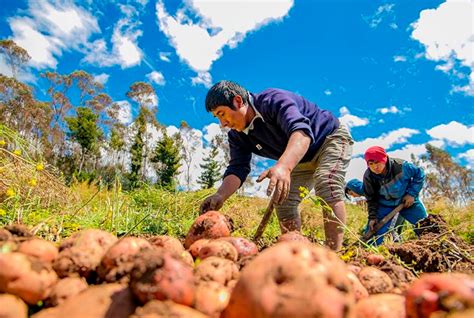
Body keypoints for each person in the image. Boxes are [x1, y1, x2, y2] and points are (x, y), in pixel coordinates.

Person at [199, 80, 354, 251]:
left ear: (237, 101)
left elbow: (301, 133)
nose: (223, 123)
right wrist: (220, 195)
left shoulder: (273, 100)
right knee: (283, 200)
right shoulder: (237, 136)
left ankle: (334, 253)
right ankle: (295, 252)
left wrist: (284, 167)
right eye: (217, 117)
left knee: (326, 182)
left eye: (222, 114)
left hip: (328, 139)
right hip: (301, 159)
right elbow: (238, 168)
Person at [362, 146, 428, 245]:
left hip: (407, 201)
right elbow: (371, 198)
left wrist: (411, 194)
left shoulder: (401, 166)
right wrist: (372, 217)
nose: (375, 167)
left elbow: (419, 174)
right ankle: (369, 253)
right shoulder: (369, 177)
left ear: (384, 159)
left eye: (377, 162)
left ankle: (432, 245)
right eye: (370, 164)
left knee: (425, 225)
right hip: (385, 205)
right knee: (374, 236)